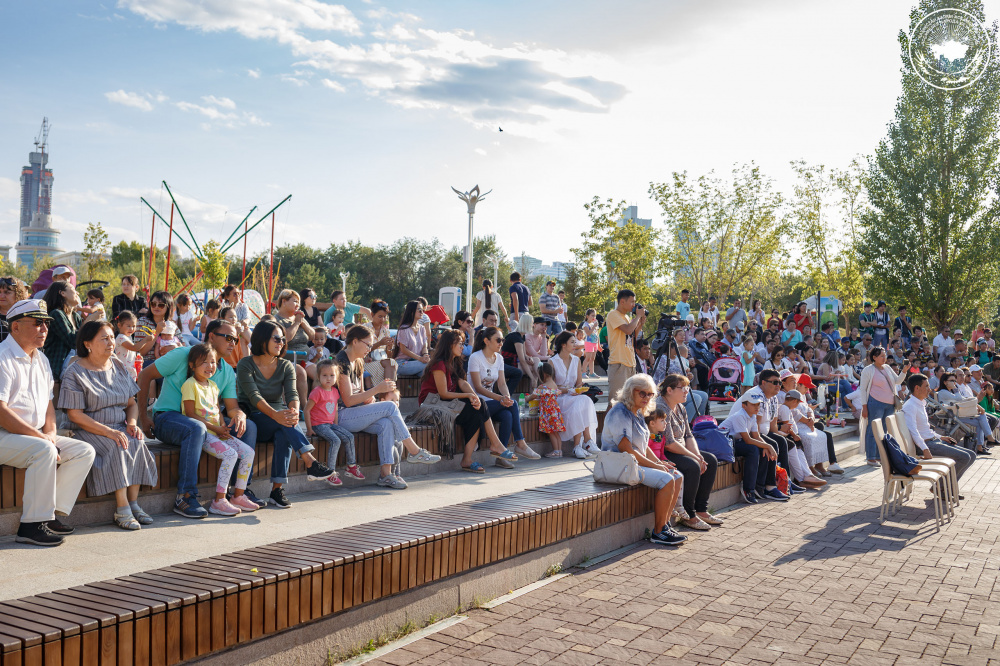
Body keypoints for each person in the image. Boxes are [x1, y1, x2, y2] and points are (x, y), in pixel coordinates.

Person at [137, 318, 261, 518]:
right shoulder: (182, 355)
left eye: (236, 340)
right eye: (228, 337)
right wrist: (143, 417)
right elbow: (144, 375)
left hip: (202, 424)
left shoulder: (227, 370)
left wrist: (239, 414)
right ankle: (185, 496)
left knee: (249, 426)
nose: (233, 343)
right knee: (196, 427)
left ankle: (238, 492)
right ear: (211, 336)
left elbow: (231, 407)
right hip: (168, 418)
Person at [0, 299, 96, 546]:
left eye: (46, 323)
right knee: (43, 450)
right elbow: (1, 412)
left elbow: (48, 405)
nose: (44, 328)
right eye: (37, 323)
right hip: (4, 434)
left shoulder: (41, 359)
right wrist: (42, 438)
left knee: (83, 451)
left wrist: (51, 433)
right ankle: (30, 526)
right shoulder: (3, 357)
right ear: (16, 327)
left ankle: (50, 514)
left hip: (28, 436)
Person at [58, 320, 158, 529]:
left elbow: (131, 404)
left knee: (137, 441)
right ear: (88, 344)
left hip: (118, 426)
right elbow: (75, 415)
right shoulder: (74, 372)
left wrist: (132, 423)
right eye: (104, 338)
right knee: (118, 445)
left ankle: (134, 504)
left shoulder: (118, 365)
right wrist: (109, 432)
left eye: (112, 337)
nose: (110, 342)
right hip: (86, 428)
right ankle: (122, 510)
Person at [236, 321, 336, 508]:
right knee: (285, 422)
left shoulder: (286, 366)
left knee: (285, 429)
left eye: (283, 339)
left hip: (278, 418)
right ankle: (310, 462)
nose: (281, 342)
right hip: (254, 415)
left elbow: (292, 394)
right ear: (262, 339)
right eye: (276, 338)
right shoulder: (245, 364)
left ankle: (277, 490)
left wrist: (292, 410)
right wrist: (277, 415)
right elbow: (253, 396)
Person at [335, 326, 441, 489]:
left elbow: (362, 395)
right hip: (342, 416)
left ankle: (386, 474)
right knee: (390, 407)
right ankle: (414, 451)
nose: (370, 349)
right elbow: (348, 401)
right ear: (355, 341)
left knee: (386, 423)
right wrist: (377, 390)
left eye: (371, 346)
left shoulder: (358, 361)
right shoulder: (341, 361)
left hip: (355, 414)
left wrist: (370, 399)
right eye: (368, 345)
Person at [416, 329, 529, 473]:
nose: (462, 347)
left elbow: (463, 383)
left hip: (447, 403)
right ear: (449, 345)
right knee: (479, 406)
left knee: (478, 410)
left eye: (463, 343)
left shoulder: (455, 362)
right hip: (432, 404)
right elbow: (443, 393)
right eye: (459, 344)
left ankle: (467, 459)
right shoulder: (439, 364)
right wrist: (468, 396)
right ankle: (496, 445)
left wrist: (473, 396)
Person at [600, 374, 686, 546]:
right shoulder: (620, 412)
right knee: (668, 479)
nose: (647, 398)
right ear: (631, 392)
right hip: (618, 465)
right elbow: (627, 449)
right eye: (642, 393)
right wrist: (656, 466)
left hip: (631, 463)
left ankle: (665, 525)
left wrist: (659, 463)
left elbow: (643, 446)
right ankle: (658, 532)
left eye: (650, 394)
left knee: (677, 476)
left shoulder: (637, 411)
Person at [182, 344, 258, 516]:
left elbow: (217, 411)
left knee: (248, 452)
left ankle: (238, 495)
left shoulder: (214, 386)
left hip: (217, 431)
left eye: (213, 362)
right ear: (192, 365)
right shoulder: (190, 385)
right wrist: (215, 428)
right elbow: (190, 413)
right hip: (204, 434)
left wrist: (222, 426)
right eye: (204, 362)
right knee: (230, 455)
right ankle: (219, 500)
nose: (210, 366)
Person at [656, 373, 721, 529]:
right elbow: (669, 443)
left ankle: (701, 510)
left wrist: (698, 455)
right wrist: (695, 458)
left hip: (681, 449)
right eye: (682, 388)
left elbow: (688, 435)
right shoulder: (660, 407)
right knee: (692, 465)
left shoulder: (680, 407)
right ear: (669, 390)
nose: (687, 391)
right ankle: (689, 516)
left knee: (710, 460)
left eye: (687, 387)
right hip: (664, 453)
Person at [469, 326, 537, 464]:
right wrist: (500, 398)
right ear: (487, 341)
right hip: (476, 403)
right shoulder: (475, 357)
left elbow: (501, 384)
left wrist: (506, 397)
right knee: (514, 405)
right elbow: (477, 387)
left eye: (503, 340)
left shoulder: (499, 358)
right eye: (498, 340)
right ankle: (520, 444)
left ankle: (501, 456)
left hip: (491, 403)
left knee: (508, 413)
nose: (501, 343)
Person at [903, 373, 976, 479]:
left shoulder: (920, 403)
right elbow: (913, 431)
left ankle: (946, 488)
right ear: (917, 388)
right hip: (926, 445)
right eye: (926, 386)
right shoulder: (910, 406)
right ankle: (942, 488)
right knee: (964, 457)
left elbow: (925, 429)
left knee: (972, 455)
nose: (930, 389)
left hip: (932, 441)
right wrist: (925, 449)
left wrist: (940, 437)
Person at [305, 358, 365, 487]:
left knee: (349, 436)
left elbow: (335, 410)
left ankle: (351, 466)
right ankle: (330, 473)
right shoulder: (317, 392)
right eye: (324, 375)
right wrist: (309, 429)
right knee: (336, 440)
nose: (328, 378)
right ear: (318, 376)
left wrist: (336, 425)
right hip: (319, 425)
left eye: (332, 375)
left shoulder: (335, 391)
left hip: (330, 424)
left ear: (336, 377)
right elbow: (306, 410)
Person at [719, 390, 778, 505]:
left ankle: (759, 486)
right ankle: (748, 489)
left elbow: (756, 436)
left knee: (761, 449)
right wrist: (768, 445)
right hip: (724, 444)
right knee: (753, 449)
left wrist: (765, 446)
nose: (757, 407)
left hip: (735, 442)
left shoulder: (752, 416)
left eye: (758, 404)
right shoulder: (739, 416)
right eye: (753, 404)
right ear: (744, 405)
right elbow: (748, 440)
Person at [550, 331, 600, 458]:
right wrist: (568, 390)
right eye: (572, 342)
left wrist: (580, 389)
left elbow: (578, 384)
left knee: (585, 400)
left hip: (573, 397)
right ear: (563, 345)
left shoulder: (576, 360)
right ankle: (581, 444)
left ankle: (583, 442)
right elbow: (551, 387)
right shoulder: (552, 362)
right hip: (559, 398)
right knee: (580, 402)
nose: (575, 344)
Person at [859, 347, 906, 466]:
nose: (884, 358)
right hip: (875, 403)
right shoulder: (868, 370)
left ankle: (880, 456)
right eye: (881, 356)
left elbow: (898, 381)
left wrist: (904, 370)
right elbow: (863, 389)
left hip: (889, 404)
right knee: (872, 430)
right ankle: (871, 457)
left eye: (885, 355)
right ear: (874, 357)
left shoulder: (888, 368)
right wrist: (864, 407)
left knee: (884, 431)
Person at [775, 391, 828, 489]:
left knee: (799, 453)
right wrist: (794, 435)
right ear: (795, 401)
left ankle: (806, 476)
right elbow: (787, 425)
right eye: (798, 402)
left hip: (791, 436)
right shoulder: (785, 409)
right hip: (789, 436)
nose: (798, 405)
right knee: (795, 454)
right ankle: (801, 478)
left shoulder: (786, 408)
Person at [273, 289, 313, 411]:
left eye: (298, 303)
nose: (297, 305)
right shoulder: (277, 320)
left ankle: (317, 408)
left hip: (305, 359)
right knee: (300, 372)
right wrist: (296, 324)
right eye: (295, 301)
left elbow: (313, 336)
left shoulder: (298, 318)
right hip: (286, 358)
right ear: (284, 301)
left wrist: (303, 323)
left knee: (320, 373)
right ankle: (305, 408)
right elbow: (285, 339)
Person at [606, 289, 646, 401]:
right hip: (618, 363)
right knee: (615, 402)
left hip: (630, 363)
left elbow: (631, 337)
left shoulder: (627, 317)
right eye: (632, 302)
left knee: (629, 401)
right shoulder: (613, 314)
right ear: (622, 301)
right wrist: (638, 317)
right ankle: (608, 419)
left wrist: (640, 324)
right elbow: (628, 330)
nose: (634, 305)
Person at [41, 280, 83, 383]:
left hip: (73, 370)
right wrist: (89, 322)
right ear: (62, 293)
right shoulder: (56, 314)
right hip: (56, 372)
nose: (77, 293)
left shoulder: (76, 316)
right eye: (73, 289)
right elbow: (73, 341)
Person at [528, 362, 568, 457]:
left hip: (548, 412)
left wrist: (526, 399)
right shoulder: (554, 385)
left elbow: (533, 396)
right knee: (556, 433)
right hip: (555, 410)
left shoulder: (542, 386)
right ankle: (559, 451)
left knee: (551, 432)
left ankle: (555, 451)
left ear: (544, 374)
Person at [362, 300, 398, 401]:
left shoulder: (385, 331)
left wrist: (390, 347)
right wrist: (380, 343)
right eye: (380, 316)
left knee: (392, 362)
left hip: (381, 361)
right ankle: (388, 395)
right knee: (392, 364)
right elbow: (362, 350)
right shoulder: (365, 328)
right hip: (367, 362)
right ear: (372, 315)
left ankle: (386, 395)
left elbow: (388, 354)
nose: (383, 319)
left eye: (384, 316)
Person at [500, 313, 540, 391]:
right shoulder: (516, 337)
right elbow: (522, 360)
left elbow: (524, 355)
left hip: (513, 360)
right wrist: (531, 377)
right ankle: (534, 387)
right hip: (508, 362)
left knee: (536, 360)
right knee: (533, 367)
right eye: (532, 323)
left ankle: (534, 388)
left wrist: (528, 357)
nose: (533, 325)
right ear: (527, 324)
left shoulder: (522, 336)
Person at [136, 291, 176, 368]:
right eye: (153, 304)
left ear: (168, 307)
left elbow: (182, 345)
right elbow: (141, 352)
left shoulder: (171, 324)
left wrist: (175, 347)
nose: (156, 307)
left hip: (169, 360)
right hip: (148, 361)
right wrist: (157, 332)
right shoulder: (143, 322)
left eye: (160, 305)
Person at [396, 300, 431, 377]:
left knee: (428, 373)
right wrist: (420, 358)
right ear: (411, 312)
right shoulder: (404, 328)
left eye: (423, 310)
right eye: (419, 310)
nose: (422, 312)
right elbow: (403, 349)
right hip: (403, 364)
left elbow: (424, 347)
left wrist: (425, 355)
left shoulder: (422, 328)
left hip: (417, 362)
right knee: (430, 365)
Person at [113, 311, 142, 380]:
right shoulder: (121, 338)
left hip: (130, 372)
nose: (131, 329)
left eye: (133, 326)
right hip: (123, 373)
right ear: (119, 325)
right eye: (128, 326)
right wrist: (146, 340)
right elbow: (134, 347)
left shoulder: (128, 337)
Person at [0, 276, 30, 343]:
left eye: (7, 292)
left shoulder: (26, 317)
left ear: (18, 294)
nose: (2, 296)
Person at [581, 309, 600, 379]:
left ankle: (592, 373)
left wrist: (599, 344)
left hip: (594, 343)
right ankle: (583, 372)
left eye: (594, 315)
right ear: (587, 316)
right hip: (588, 342)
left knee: (592, 358)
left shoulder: (594, 324)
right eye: (592, 315)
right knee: (588, 358)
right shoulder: (585, 324)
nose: (594, 317)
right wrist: (594, 326)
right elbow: (588, 333)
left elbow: (597, 335)